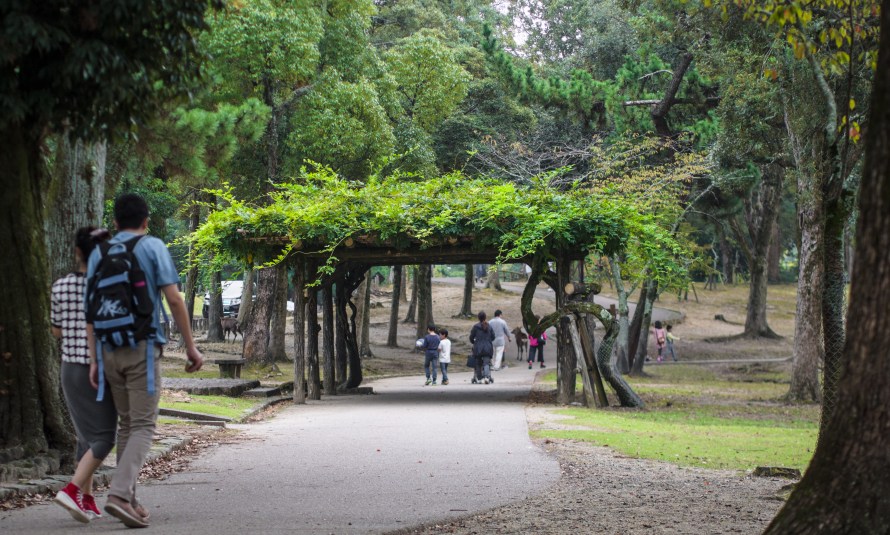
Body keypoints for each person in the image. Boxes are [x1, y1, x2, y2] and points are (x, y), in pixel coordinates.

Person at [86, 194, 203, 528]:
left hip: (108, 349)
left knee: (127, 423)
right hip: (142, 348)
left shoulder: (99, 253)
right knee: (143, 424)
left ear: (116, 222)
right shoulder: (153, 247)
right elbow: (175, 300)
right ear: (146, 221)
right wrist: (191, 348)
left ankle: (129, 500)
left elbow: (90, 310)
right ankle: (120, 494)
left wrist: (94, 358)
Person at [52, 227, 118, 523]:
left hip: (69, 368)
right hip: (96, 368)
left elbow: (56, 330)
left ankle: (87, 499)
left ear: (77, 252)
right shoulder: (105, 286)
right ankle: (71, 489)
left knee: (85, 437)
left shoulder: (60, 285)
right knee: (104, 438)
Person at [469, 311, 495, 384]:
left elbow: (471, 337)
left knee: (478, 363)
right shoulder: (489, 326)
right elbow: (493, 337)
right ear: (485, 317)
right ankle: (487, 377)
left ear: (478, 318)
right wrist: (489, 341)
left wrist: (474, 342)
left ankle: (479, 378)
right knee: (486, 363)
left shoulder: (475, 327)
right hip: (487, 347)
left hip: (478, 348)